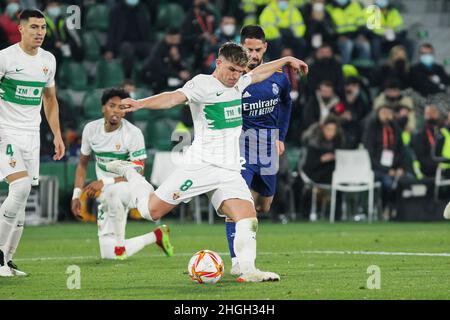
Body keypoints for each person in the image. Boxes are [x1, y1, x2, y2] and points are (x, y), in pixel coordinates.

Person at [103, 42, 308, 282]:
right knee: (151, 211)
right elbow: (173, 97)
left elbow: (257, 73)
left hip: (229, 168)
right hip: (201, 165)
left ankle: (248, 269)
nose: (235, 76)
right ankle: (131, 174)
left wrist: (285, 61)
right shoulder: (202, 84)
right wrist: (141, 103)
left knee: (247, 217)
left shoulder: (240, 81)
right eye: (231, 70)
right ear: (219, 62)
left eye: (240, 72)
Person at [70, 88, 173, 260]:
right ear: (103, 108)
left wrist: (106, 182)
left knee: (113, 191)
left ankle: (120, 245)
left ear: (125, 112)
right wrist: (76, 195)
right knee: (107, 254)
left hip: (132, 188)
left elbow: (139, 171)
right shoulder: (91, 129)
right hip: (106, 192)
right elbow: (82, 164)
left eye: (121, 107)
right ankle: (156, 236)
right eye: (112, 106)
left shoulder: (133, 133)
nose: (116, 110)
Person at [0, 9, 65, 277]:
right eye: (35, 27)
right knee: (21, 186)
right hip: (5, 132)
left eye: (43, 28)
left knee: (24, 196)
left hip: (32, 135)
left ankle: (7, 261)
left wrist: (58, 135)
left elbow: (49, 100)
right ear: (21, 29)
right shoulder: (5, 58)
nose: (40, 32)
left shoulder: (48, 61)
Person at [224, 25, 292, 276]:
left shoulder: (279, 78)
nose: (252, 54)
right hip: (241, 145)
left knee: (264, 205)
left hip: (267, 145)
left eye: (257, 49)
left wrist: (281, 136)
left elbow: (286, 104)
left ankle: (242, 253)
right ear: (241, 48)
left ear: (265, 48)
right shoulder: (234, 79)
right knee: (240, 205)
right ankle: (237, 261)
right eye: (248, 49)